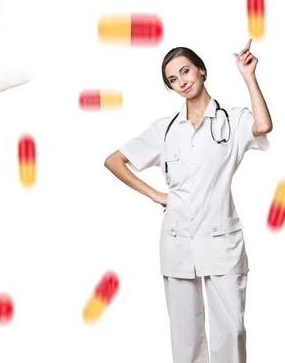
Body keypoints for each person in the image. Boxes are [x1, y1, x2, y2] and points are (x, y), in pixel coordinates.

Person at [103, 39, 273, 363]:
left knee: (231, 331)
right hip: (177, 241)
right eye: (173, 79)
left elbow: (263, 125)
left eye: (185, 71)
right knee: (185, 338)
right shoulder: (164, 129)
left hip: (220, 240)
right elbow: (114, 161)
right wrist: (156, 195)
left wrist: (248, 75)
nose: (182, 81)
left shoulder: (232, 120)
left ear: (201, 70)